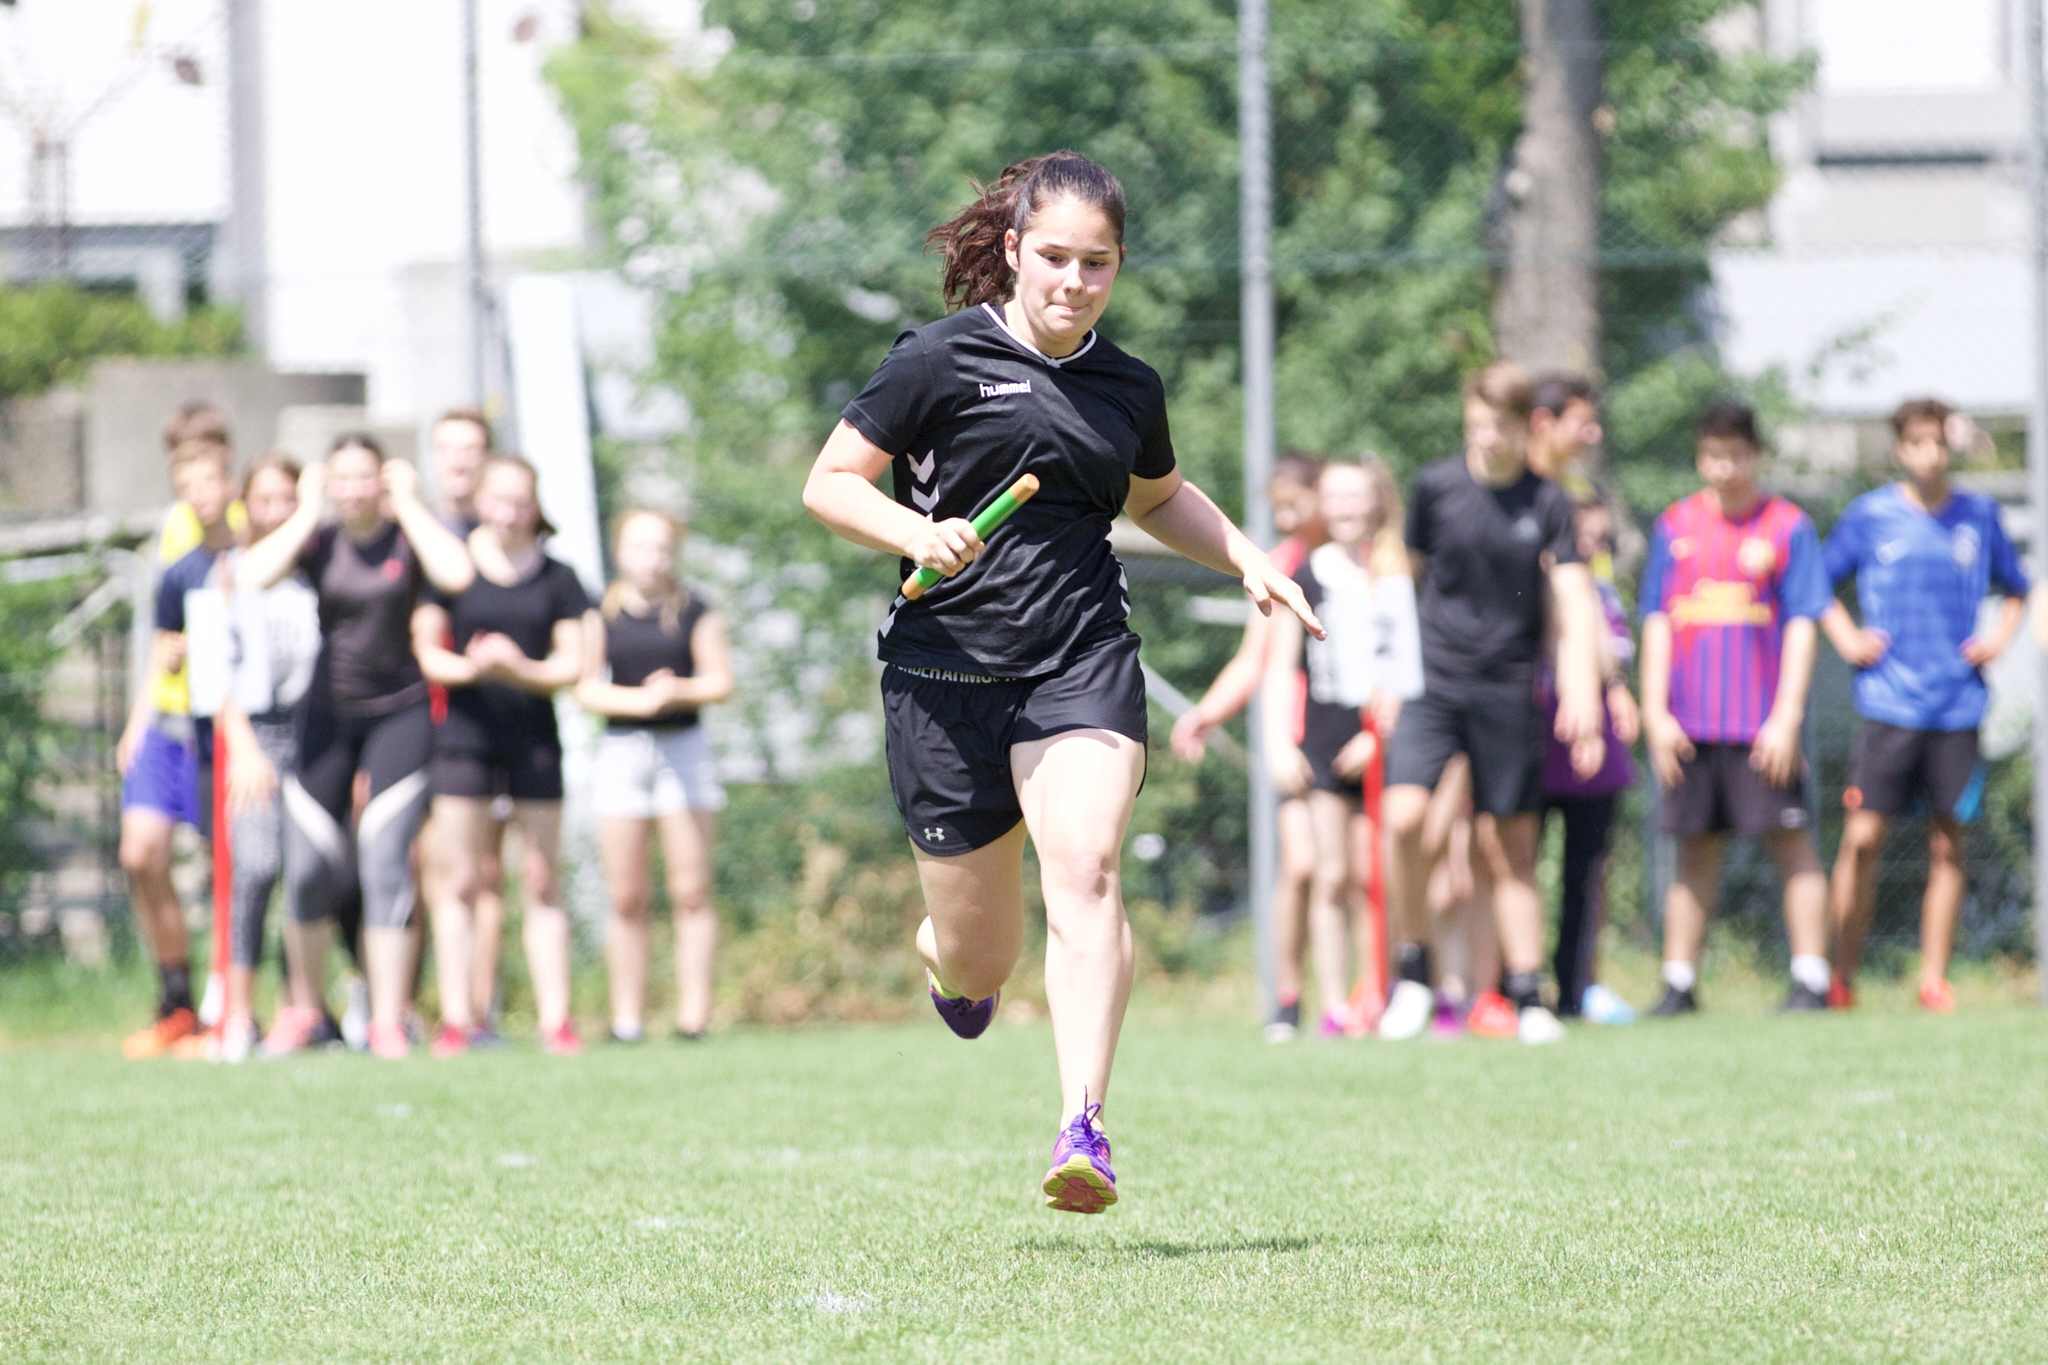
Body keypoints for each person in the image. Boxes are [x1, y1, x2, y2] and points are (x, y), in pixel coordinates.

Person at [802, 151, 1320, 1213]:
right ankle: (949, 957)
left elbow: (1157, 497)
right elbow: (830, 483)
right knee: (979, 961)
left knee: (1084, 867)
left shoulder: (1127, 384)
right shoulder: (935, 360)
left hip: (1079, 660)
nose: (1073, 282)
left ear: (1117, 267)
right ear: (1011, 251)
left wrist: (1247, 557)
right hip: (942, 677)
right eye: (1053, 258)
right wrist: (916, 532)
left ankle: (1083, 1124)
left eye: (1097, 263)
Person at [1378, 362, 1607, 1045]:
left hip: (1508, 688)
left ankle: (1527, 994)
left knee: (1509, 846)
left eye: (1498, 427)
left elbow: (1573, 598)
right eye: (1475, 424)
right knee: (1404, 818)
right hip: (1431, 683)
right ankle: (1413, 973)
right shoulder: (1437, 486)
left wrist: (1582, 690)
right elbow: (1399, 579)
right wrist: (1385, 676)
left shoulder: (1549, 501)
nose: (1484, 438)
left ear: (1527, 427)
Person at [236, 434, 475, 1058]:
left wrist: (410, 504)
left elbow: (458, 573)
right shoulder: (317, 541)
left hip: (400, 714)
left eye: (363, 477)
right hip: (326, 716)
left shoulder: (408, 538)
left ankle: (388, 1019)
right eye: (340, 478)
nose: (352, 490)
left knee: (384, 860)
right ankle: (305, 1012)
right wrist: (306, 509)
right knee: (308, 868)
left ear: (383, 480)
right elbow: (249, 575)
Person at [1820, 398, 2029, 1013]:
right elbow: (1817, 584)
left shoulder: (1979, 516)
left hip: (1956, 705)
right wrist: (1848, 639)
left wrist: (1999, 638)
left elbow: (2018, 588)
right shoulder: (1870, 514)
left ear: (1948, 447)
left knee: (1947, 844)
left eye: (1938, 442)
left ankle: (1934, 980)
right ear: (1900, 449)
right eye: (1916, 442)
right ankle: (1839, 977)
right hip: (1888, 703)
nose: (1929, 455)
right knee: (1862, 839)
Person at [1639, 401, 1832, 1014]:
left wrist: (1787, 716)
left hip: (1761, 725)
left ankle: (1811, 979)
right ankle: (1678, 984)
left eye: (1736, 456)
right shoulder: (1675, 525)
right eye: (1713, 456)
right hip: (1691, 724)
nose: (1724, 469)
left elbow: (1802, 623)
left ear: (1757, 456)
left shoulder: (1788, 526)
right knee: (1694, 850)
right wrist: (1654, 713)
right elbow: (1657, 620)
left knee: (1791, 842)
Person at [413, 456, 590, 1057]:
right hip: (464, 739)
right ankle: (456, 1020)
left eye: (520, 501)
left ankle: (556, 1022)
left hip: (533, 739)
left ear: (535, 505)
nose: (509, 512)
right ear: (481, 501)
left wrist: (518, 668)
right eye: (499, 499)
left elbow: (572, 665)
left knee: (541, 880)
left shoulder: (559, 578)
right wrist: (474, 667)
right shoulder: (453, 570)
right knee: (459, 880)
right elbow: (428, 653)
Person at [1167, 453, 1326, 1041]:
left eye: (1294, 505)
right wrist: (1206, 713)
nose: (1284, 518)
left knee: (1355, 874)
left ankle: (1363, 998)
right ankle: (1289, 997)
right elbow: (1252, 660)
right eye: (1277, 508)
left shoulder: (1361, 560)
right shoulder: (1280, 564)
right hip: (1298, 738)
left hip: (1358, 737)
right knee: (1303, 866)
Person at [1262, 459, 1421, 1037]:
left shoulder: (1395, 572)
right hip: (1325, 744)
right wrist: (1279, 742)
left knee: (1370, 876)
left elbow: (1405, 663)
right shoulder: (1306, 573)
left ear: (1376, 501)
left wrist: (1377, 735)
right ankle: (1333, 1004)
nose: (1348, 508)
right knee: (1329, 874)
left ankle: (1377, 993)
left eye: (1357, 496)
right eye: (1336, 497)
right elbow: (1280, 665)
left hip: (1382, 744)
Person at [191, 454, 329, 1061]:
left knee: (311, 873)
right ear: (246, 504)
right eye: (265, 499)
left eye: (288, 499)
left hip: (316, 734)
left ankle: (303, 1011)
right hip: (256, 735)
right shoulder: (230, 571)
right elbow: (215, 667)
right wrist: (244, 745)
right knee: (256, 866)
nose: (276, 511)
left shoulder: (319, 568)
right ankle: (239, 1014)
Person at [578, 509, 734, 1043]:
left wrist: (677, 692)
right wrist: (641, 702)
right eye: (641, 547)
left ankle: (694, 1018)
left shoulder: (696, 611)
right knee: (626, 896)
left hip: (685, 753)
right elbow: (586, 687)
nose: (652, 559)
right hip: (622, 753)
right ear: (620, 551)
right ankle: (627, 1021)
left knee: (691, 891)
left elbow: (719, 681)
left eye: (662, 548)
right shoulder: (599, 613)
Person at [117, 439, 239, 1059]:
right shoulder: (177, 565)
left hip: (221, 729)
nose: (198, 495)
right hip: (167, 724)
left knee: (229, 869)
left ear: (229, 479)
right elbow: (163, 649)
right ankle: (176, 1003)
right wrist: (135, 724)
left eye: (207, 481)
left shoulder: (251, 552)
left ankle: (230, 1007)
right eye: (186, 486)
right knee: (139, 851)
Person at [424, 406, 509, 1043]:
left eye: (472, 447)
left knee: (483, 872)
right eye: (448, 447)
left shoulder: (509, 529)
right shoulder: (415, 528)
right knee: (418, 868)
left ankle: (480, 1014)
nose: (459, 459)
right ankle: (399, 1008)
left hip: (486, 725)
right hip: (414, 721)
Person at [1538, 495, 1640, 1023]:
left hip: (1592, 752)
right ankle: (1513, 985)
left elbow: (1610, 659)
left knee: (1587, 873)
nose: (1594, 548)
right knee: (1515, 867)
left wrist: (1615, 684)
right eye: (1584, 538)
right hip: (1536, 739)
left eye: (1602, 540)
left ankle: (1576, 988)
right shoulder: (1533, 588)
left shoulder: (1602, 594)